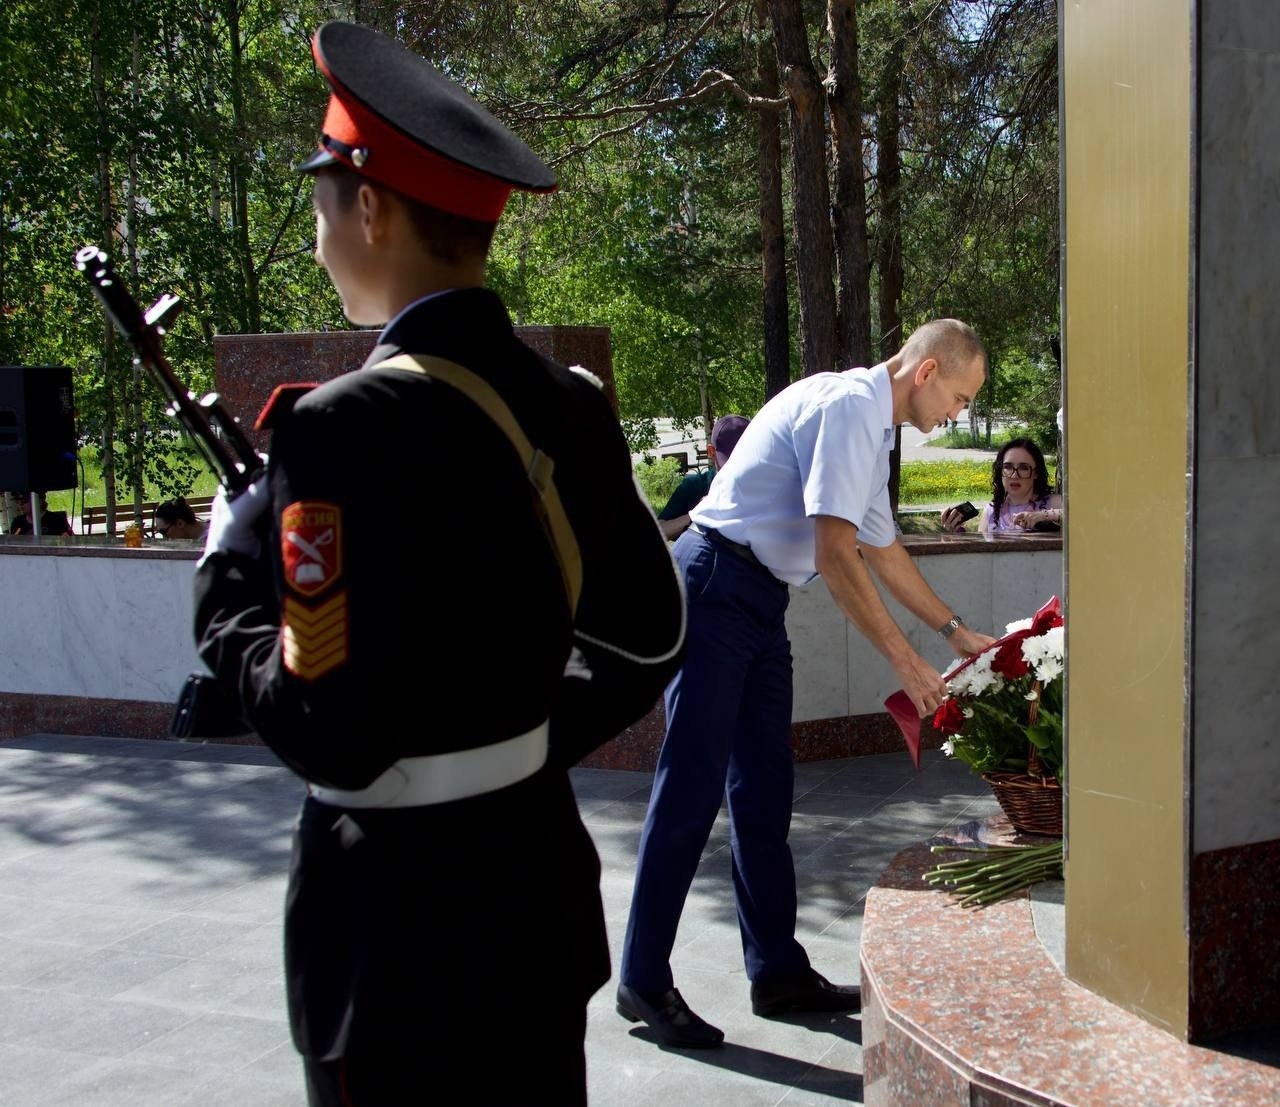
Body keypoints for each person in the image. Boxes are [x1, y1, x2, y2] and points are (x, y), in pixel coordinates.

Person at [191, 21, 684, 1106]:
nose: (321, 240)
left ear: (368, 207)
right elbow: (650, 639)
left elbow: (323, 727)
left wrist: (229, 571)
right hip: (530, 882)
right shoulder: (568, 402)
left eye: (322, 210)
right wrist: (507, 746)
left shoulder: (334, 427)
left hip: (388, 926)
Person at [616, 319, 997, 1049]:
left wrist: (952, 631)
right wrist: (902, 659)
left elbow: (881, 545)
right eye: (958, 395)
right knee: (691, 787)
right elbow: (835, 548)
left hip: (757, 599)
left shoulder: (871, 423)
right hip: (717, 584)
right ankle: (643, 975)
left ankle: (778, 971)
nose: (957, 413)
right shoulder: (851, 408)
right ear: (925, 372)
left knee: (764, 790)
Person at [940, 436, 1062, 534]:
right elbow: (983, 555)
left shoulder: (1053, 503)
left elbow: (1079, 518)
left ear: (1036, 473)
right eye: (1008, 467)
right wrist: (957, 532)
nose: (1014, 475)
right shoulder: (991, 511)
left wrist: (1045, 516)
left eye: (1024, 468)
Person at [656, 414, 750, 540]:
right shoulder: (694, 486)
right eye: (728, 463)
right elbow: (660, 531)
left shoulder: (762, 485)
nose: (735, 472)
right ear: (711, 452)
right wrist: (698, 513)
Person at [8, 493, 73, 536]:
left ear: (39, 500)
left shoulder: (56, 520)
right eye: (18, 502)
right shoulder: (17, 522)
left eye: (24, 501)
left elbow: (68, 542)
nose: (20, 505)